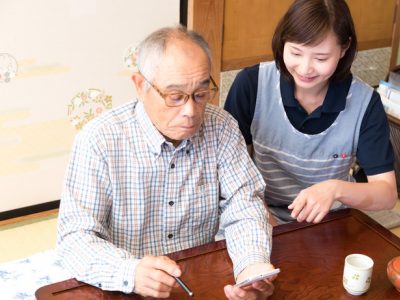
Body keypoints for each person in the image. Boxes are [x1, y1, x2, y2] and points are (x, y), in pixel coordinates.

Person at [57, 25, 276, 299]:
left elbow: (244, 205)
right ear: (140, 85)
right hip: (122, 286)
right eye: (175, 97)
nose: (191, 111)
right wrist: (130, 272)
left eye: (200, 93)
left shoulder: (222, 128)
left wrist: (250, 267)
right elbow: (74, 239)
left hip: (197, 280)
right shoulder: (99, 140)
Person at [224, 0, 398, 225]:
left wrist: (335, 189)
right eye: (296, 53)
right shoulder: (251, 85)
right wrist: (267, 224)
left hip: (327, 220)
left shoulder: (365, 103)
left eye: (320, 58)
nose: (305, 68)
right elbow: (232, 174)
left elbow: (387, 195)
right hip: (258, 214)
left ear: (344, 48)